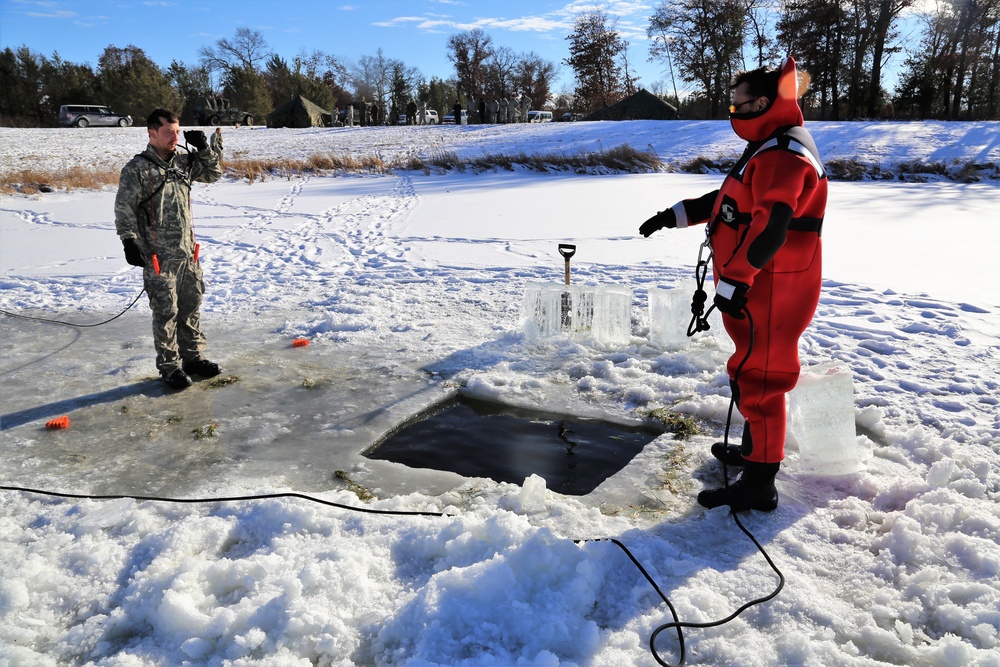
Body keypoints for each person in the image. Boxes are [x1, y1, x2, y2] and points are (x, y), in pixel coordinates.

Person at [639, 58, 827, 512]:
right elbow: (727, 202)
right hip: (761, 286)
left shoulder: (783, 153)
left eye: (737, 104)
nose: (733, 111)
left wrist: (736, 281)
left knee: (762, 379)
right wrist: (673, 216)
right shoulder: (768, 144)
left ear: (761, 103)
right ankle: (751, 449)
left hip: (771, 288)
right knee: (751, 371)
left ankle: (759, 483)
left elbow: (772, 226)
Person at [115, 108, 224, 390]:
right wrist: (128, 240)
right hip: (158, 256)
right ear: (152, 134)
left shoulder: (183, 163)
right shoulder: (137, 169)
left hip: (188, 254)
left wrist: (204, 148)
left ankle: (192, 358)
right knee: (166, 313)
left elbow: (213, 174)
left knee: (191, 307)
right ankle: (170, 366)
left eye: (177, 131)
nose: (174, 137)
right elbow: (124, 208)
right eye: (168, 132)